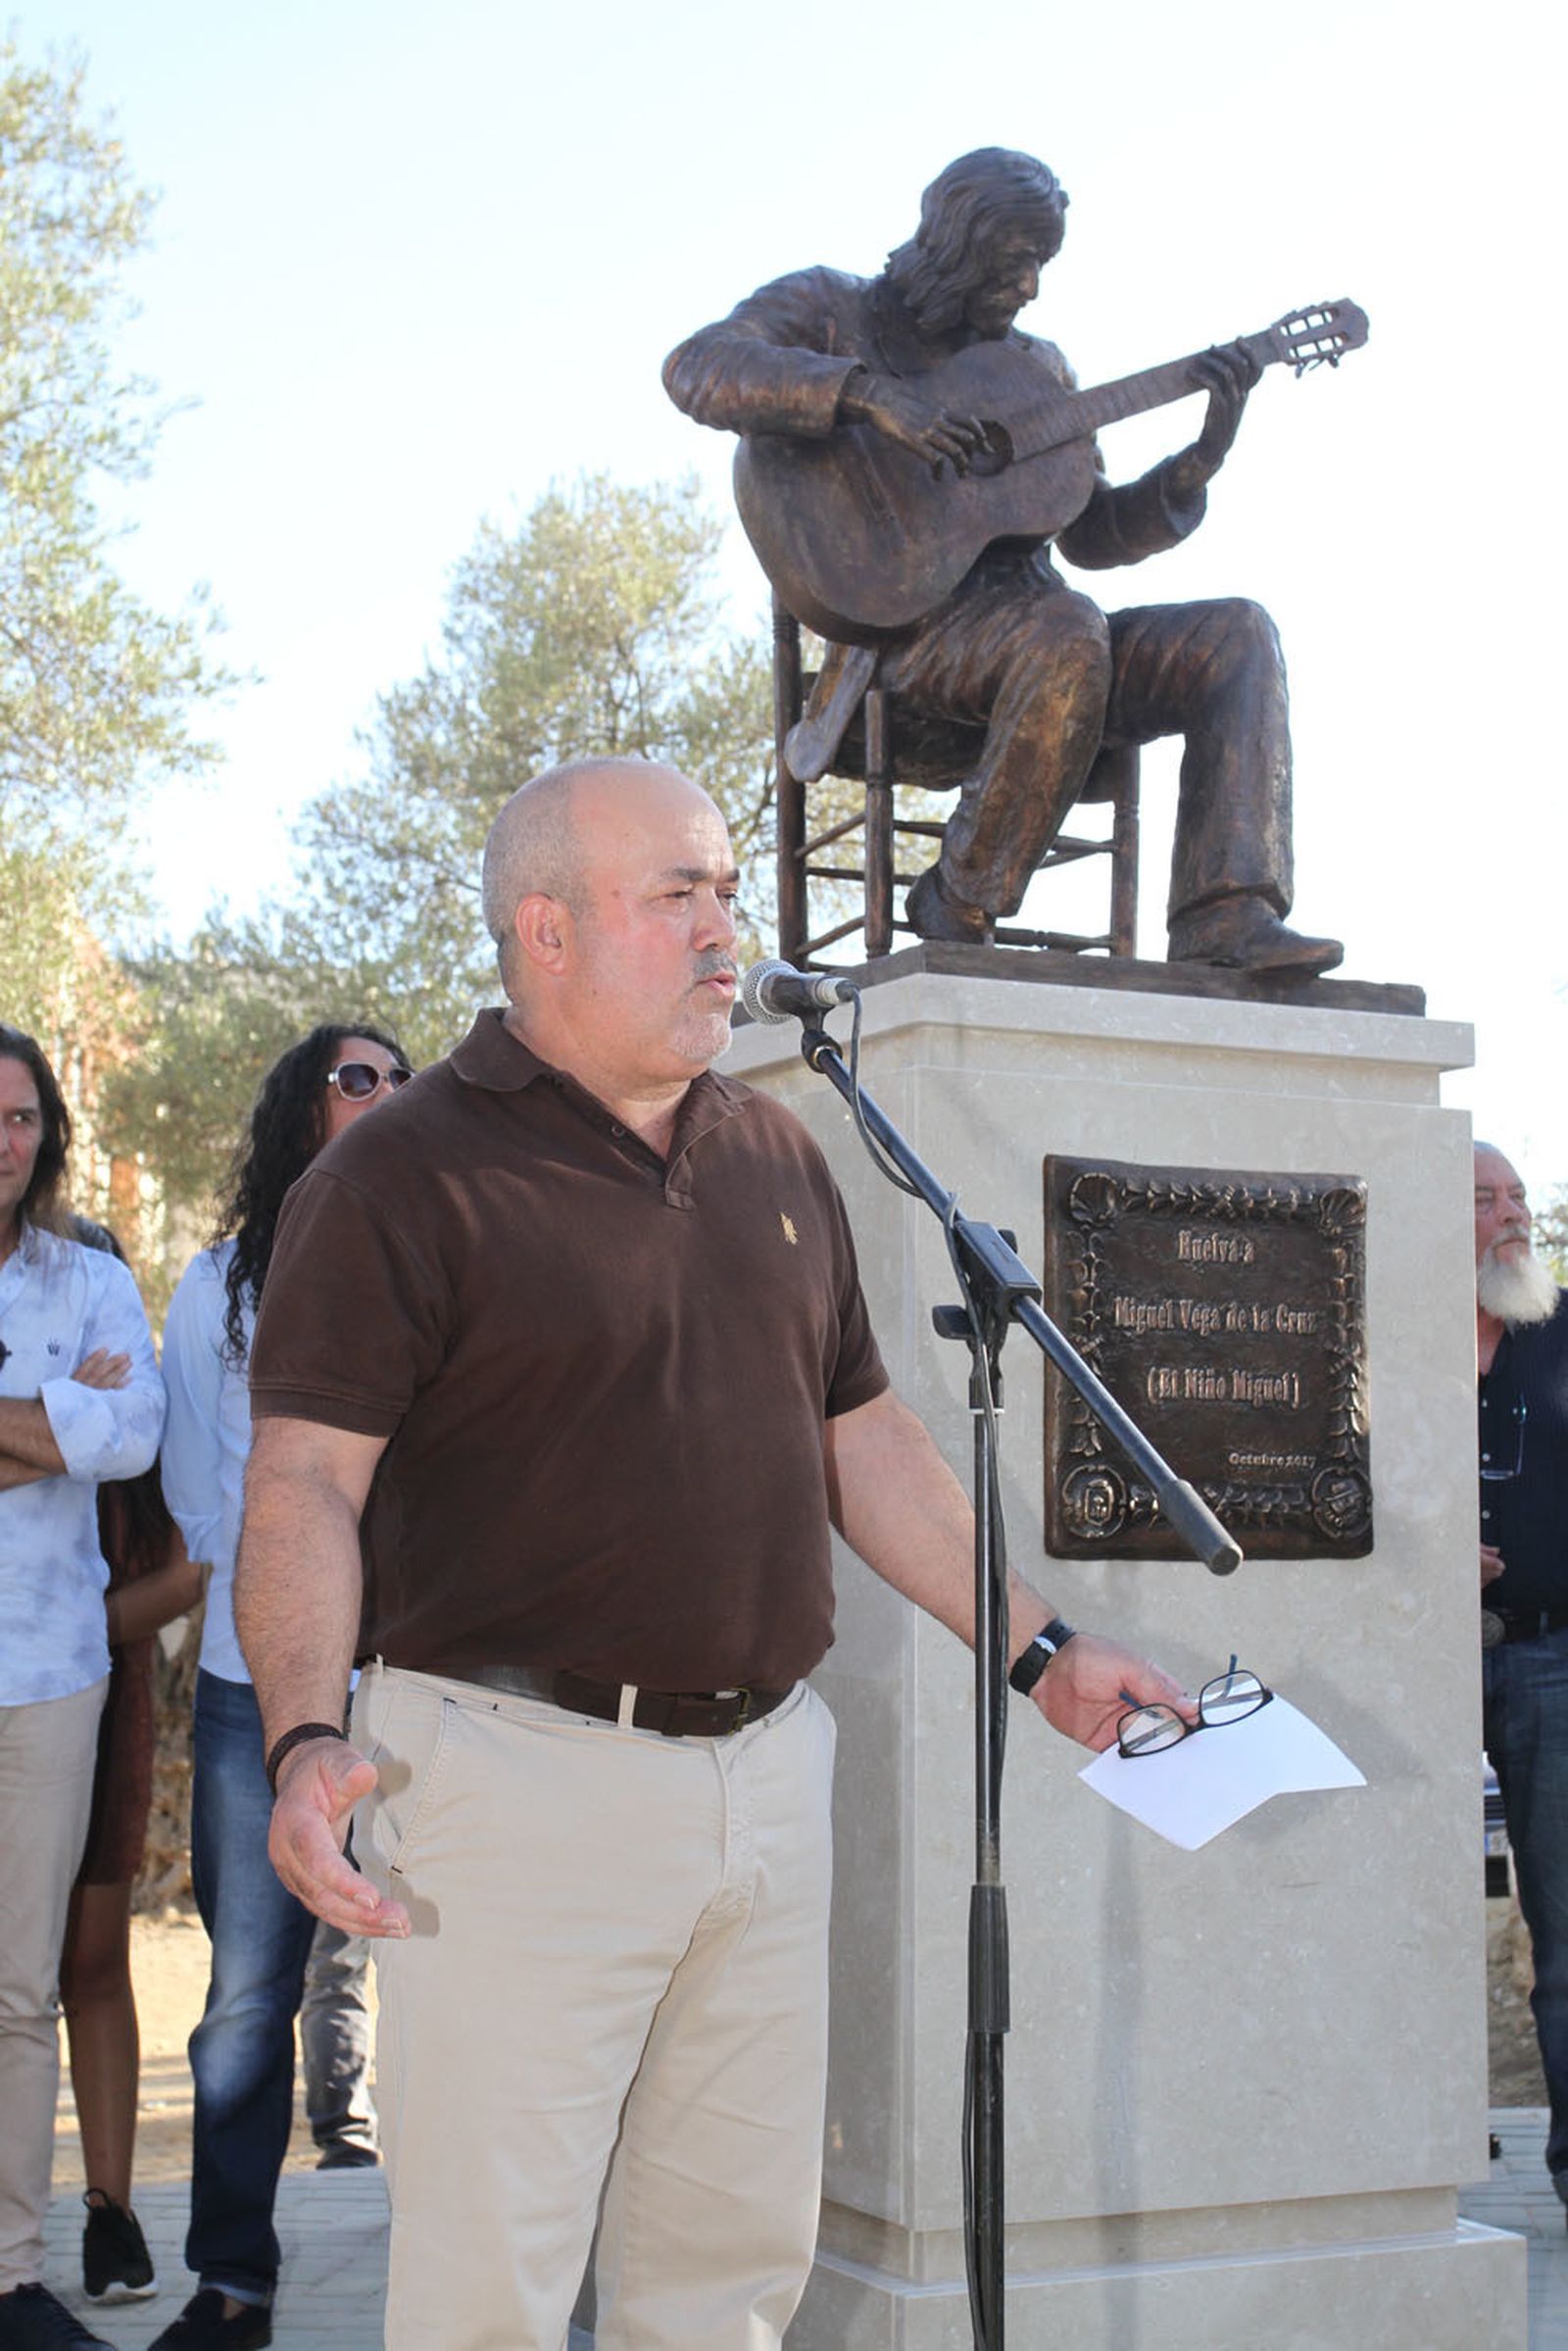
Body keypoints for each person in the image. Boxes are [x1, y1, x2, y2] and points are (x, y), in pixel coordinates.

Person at [231, 756, 1197, 2351]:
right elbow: (301, 1487)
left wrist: (1039, 1646)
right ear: (544, 929)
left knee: (730, 2278)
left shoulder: (777, 1150)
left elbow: (866, 1442)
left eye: (725, 891)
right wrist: (301, 1730)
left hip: (767, 1777)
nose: (720, 929)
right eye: (674, 892)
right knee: (492, 2296)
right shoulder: (396, 1174)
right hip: (507, 1782)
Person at [663, 145, 1342, 976]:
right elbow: (695, 367)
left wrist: (1197, 462)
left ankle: (1225, 916)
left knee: (1235, 634)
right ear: (961, 242)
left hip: (1047, 653)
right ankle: (957, 895)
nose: (1029, 288)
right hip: (901, 653)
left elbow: (1091, 531)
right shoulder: (832, 309)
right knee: (1066, 632)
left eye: (1040, 268)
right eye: (1018, 263)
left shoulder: (1037, 372)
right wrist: (868, 398)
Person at [151, 1027, 409, 2351]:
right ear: (302, 1107)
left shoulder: (442, 1258)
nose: (385, 1096)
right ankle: (232, 2282)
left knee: (481, 1983)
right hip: (264, 1693)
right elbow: (201, 1486)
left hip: (430, 1684)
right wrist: (278, 1607)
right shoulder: (217, 1285)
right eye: (358, 1076)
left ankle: (471, 2283)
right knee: (250, 1995)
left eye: (401, 1080)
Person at [0, 1029, 165, 2351]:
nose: (4, 1136)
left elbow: (132, 1432)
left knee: (18, 1990)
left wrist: (74, 1423)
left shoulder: (87, 1278)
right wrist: (47, 1416)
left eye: (19, 1115)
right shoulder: (71, 1328)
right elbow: (76, 1431)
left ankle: (10, 2270)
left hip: (51, 1677)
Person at [61, 1220, 205, 2313]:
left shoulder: (141, 1431)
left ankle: (110, 2214)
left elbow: (186, 1571)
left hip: (99, 1711)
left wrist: (68, 1624)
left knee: (95, 1960)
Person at [1474, 1141, 1568, 2214]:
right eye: (1481, 1198)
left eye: (1517, 1197)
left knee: (1563, 1927)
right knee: (1383, 1910)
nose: (1509, 1217)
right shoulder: (1386, 1332)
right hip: (1408, 1656)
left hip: (1548, 1656)